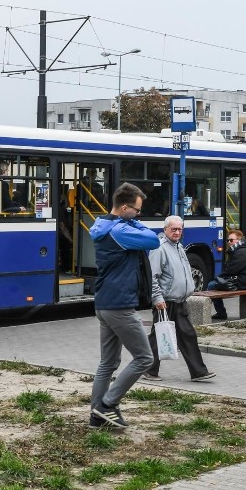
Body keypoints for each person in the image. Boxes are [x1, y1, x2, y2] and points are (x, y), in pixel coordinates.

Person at [88, 182, 160, 429]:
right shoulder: (121, 231)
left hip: (104, 303)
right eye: (137, 211)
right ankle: (107, 404)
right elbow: (153, 240)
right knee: (144, 358)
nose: (140, 215)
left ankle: (97, 417)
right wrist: (135, 223)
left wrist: (131, 221)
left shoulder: (103, 225)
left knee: (107, 363)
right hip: (120, 305)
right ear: (125, 207)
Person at [142, 216, 216, 382]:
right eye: (173, 229)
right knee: (158, 336)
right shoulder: (159, 248)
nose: (177, 232)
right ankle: (149, 370)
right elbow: (153, 276)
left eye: (179, 229)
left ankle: (198, 372)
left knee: (187, 335)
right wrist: (157, 298)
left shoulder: (179, 247)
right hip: (165, 301)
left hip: (179, 300)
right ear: (166, 229)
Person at [207, 229, 246, 320]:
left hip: (241, 283)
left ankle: (221, 313)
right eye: (228, 240)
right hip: (243, 281)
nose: (229, 242)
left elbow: (230, 270)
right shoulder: (240, 250)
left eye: (231, 240)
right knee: (215, 283)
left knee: (211, 285)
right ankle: (220, 312)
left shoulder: (241, 253)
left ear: (239, 240)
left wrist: (219, 278)